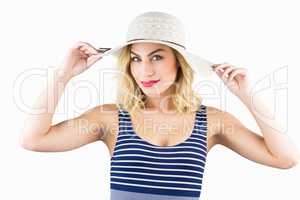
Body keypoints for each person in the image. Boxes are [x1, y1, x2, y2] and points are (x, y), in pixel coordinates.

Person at [20, 11, 299, 200]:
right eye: (136, 59)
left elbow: (285, 158)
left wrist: (248, 95)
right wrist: (63, 74)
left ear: (179, 61)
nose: (145, 71)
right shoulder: (110, 118)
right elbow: (33, 140)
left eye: (156, 57)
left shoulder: (212, 121)